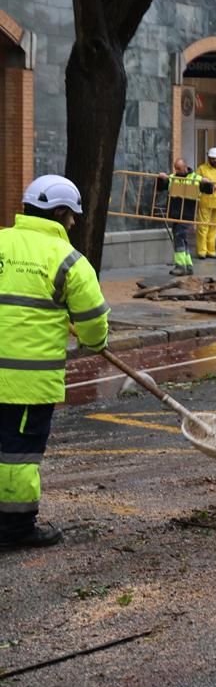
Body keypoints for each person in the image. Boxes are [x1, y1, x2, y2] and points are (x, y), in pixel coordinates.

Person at [0, 176, 110, 549]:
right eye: (72, 215)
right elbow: (94, 322)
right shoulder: (68, 261)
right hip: (26, 384)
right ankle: (14, 529)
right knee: (17, 455)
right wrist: (93, 339)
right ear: (60, 213)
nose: (74, 223)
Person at [155, 158, 211, 276]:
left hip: (186, 214)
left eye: (179, 169)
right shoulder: (173, 178)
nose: (177, 171)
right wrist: (161, 178)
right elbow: (161, 187)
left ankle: (180, 266)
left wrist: (208, 183)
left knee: (179, 237)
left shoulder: (196, 179)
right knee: (182, 238)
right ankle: (188, 265)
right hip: (175, 214)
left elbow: (209, 190)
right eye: (175, 169)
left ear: (185, 167)